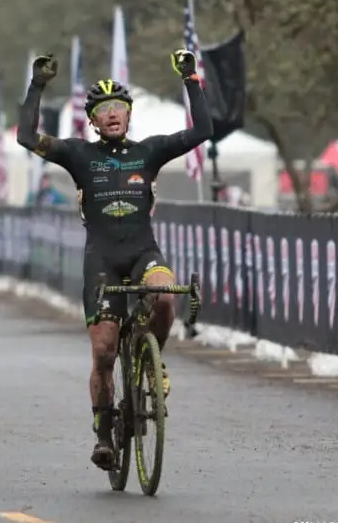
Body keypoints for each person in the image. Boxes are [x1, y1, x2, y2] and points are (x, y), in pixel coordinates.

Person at [16, 49, 212, 472]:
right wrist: (37, 87)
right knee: (104, 352)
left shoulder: (149, 152)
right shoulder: (79, 155)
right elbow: (27, 138)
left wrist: (191, 79)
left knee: (163, 296)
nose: (111, 115)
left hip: (143, 253)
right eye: (103, 110)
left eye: (118, 107)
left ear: (128, 114)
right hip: (101, 260)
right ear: (92, 120)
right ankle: (104, 433)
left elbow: (203, 131)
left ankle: (153, 363)